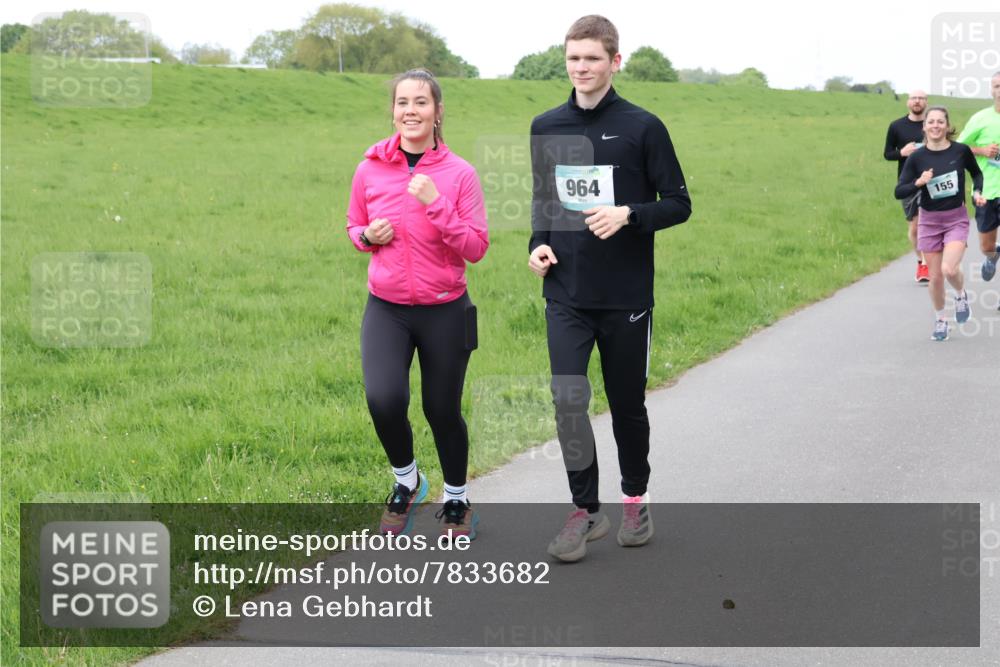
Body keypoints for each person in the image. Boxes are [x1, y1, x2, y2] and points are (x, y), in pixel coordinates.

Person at [528, 15, 691, 562]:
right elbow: (544, 200)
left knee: (626, 407)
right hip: (565, 292)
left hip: (625, 296)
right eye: (573, 58)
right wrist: (538, 244)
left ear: (614, 62)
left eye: (592, 58)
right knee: (567, 401)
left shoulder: (644, 127)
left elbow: (679, 204)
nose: (581, 68)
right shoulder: (546, 126)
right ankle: (584, 510)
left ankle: (635, 499)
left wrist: (628, 214)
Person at [346, 68, 489, 538]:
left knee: (441, 409)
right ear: (393, 111)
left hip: (446, 308)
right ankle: (407, 482)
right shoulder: (369, 169)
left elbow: (476, 247)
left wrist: (436, 204)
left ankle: (457, 499)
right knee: (383, 399)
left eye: (421, 102)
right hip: (386, 308)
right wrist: (367, 236)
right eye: (402, 102)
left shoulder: (460, 173)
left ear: (438, 112)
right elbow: (354, 226)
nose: (411, 111)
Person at [896, 106, 986, 341]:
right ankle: (941, 320)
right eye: (931, 122)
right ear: (924, 127)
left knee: (949, 269)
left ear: (947, 126)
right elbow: (899, 191)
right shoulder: (917, 157)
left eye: (940, 122)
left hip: (956, 219)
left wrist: (977, 192)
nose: (935, 126)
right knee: (935, 277)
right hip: (929, 221)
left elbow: (977, 174)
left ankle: (961, 295)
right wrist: (918, 182)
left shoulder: (960, 151)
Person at [956, 71, 1000, 282]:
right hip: (986, 191)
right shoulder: (980, 118)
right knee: (986, 246)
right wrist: (982, 150)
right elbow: (958, 148)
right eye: (997, 86)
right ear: (991, 90)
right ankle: (992, 256)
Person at [884, 90, 930, 282]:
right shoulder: (896, 126)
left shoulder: (933, 124)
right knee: (915, 227)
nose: (917, 101)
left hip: (933, 180)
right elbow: (887, 154)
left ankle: (929, 264)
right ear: (908, 102)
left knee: (929, 223)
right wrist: (902, 153)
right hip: (908, 182)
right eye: (914, 98)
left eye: (921, 98)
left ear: (926, 102)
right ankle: (921, 262)